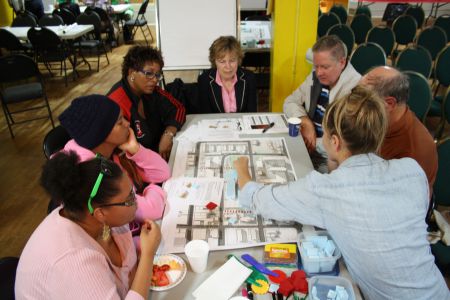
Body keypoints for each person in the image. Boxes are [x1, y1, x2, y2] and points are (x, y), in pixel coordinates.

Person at [234, 86, 450, 299]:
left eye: (325, 134)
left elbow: (259, 199)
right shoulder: (412, 171)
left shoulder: (326, 189)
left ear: (335, 142)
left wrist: (241, 169)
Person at [15, 152, 161, 299]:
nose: (136, 202)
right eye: (129, 198)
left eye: (132, 193)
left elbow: (129, 273)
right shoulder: (74, 260)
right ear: (100, 213)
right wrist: (148, 254)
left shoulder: (98, 217)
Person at [58, 94, 170, 223]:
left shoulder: (109, 151)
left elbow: (163, 173)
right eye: (120, 122)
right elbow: (153, 210)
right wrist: (153, 187)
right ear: (101, 134)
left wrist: (136, 150)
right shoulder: (93, 176)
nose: (128, 124)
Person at [283, 35, 360, 168]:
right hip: (308, 149)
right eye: (316, 66)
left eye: (324, 67)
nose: (318, 73)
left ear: (342, 62)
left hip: (332, 161)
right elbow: (290, 101)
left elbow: (344, 144)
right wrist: (306, 122)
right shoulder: (316, 76)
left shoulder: (357, 89)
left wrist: (307, 142)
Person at [359, 66, 438, 195]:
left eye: (363, 98)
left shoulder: (413, 151)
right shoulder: (380, 119)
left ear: (389, 104)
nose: (355, 104)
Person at [108, 46, 185, 160]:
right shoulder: (116, 104)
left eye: (157, 75)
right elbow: (120, 154)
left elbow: (178, 108)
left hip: (158, 158)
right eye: (149, 73)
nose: (154, 80)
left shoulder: (151, 90)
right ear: (132, 73)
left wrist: (168, 134)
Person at [197, 36, 257, 114]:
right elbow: (206, 116)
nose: (228, 66)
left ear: (238, 60)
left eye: (232, 60)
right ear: (214, 61)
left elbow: (251, 113)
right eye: (222, 61)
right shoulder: (204, 80)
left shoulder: (249, 78)